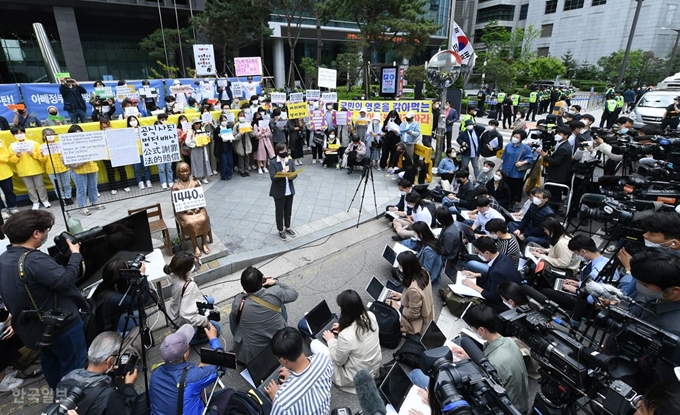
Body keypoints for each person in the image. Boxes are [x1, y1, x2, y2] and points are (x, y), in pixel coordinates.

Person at [0, 210, 86, 388]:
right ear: (36, 233)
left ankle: (58, 397)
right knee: (74, 368)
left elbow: (39, 276)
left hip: (37, 328)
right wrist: (75, 255)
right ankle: (71, 403)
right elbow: (64, 281)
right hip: (62, 327)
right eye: (46, 230)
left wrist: (61, 256)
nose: (47, 233)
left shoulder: (6, 258)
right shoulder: (34, 259)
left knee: (51, 362)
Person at [456, 306, 530, 413]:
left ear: (481, 330)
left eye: (472, 328)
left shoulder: (492, 364)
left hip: (509, 408)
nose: (472, 330)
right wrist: (471, 355)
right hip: (521, 402)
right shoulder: (508, 341)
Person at [57, 331, 145, 414]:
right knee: (146, 399)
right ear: (110, 360)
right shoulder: (109, 395)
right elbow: (124, 411)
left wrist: (109, 371)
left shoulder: (66, 379)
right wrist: (128, 386)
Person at [315, 290, 382, 393]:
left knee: (314, 345)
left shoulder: (346, 336)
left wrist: (331, 340)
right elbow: (357, 329)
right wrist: (343, 327)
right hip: (374, 367)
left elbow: (339, 360)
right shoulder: (370, 316)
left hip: (355, 376)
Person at [149, 323, 223, 415]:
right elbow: (222, 365)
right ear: (185, 355)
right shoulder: (192, 377)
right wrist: (213, 339)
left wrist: (196, 371)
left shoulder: (155, 373)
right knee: (228, 394)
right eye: (188, 345)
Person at [230, 266, 298, 364]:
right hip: (278, 344)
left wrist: (244, 294)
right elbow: (293, 293)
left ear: (244, 286)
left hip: (252, 353)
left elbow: (235, 319)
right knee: (280, 305)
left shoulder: (239, 302)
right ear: (262, 281)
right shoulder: (275, 292)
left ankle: (239, 344)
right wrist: (274, 282)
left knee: (234, 315)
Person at [264, 327, 333, 415]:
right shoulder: (323, 360)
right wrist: (293, 378)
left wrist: (275, 397)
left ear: (283, 360)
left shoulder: (282, 402)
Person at [166, 251, 221, 343]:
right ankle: (188, 341)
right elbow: (186, 315)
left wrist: (194, 260)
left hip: (174, 315)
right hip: (182, 325)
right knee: (217, 328)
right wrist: (205, 321)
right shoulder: (189, 286)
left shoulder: (175, 273)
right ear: (186, 270)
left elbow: (191, 268)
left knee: (210, 300)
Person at [460, 236, 522, 313]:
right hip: (508, 288)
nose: (479, 255)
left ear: (486, 253)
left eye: (479, 253)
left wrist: (473, 286)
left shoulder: (498, 272)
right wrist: (477, 274)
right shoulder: (501, 256)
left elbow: (493, 297)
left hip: (503, 301)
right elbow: (493, 274)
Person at [91, 259, 151, 335]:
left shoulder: (105, 285)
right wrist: (142, 275)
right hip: (108, 333)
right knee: (139, 330)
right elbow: (143, 298)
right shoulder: (115, 299)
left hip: (106, 322)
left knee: (140, 315)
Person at [387, 251, 435, 335]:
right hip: (428, 311)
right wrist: (401, 296)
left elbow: (413, 314)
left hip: (417, 322)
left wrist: (398, 307)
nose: (399, 266)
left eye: (400, 264)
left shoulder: (414, 290)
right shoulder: (424, 272)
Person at [171, 163, 212, 256]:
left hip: (198, 209)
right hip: (183, 212)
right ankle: (195, 245)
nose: (185, 173)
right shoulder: (175, 187)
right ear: (178, 172)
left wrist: (198, 207)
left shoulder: (195, 182)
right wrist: (185, 210)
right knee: (190, 222)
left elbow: (200, 197)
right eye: (182, 171)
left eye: (187, 171)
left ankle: (204, 243)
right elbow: (175, 202)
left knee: (203, 218)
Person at [8, 126, 50, 210]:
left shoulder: (33, 143)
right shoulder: (12, 146)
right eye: (17, 133)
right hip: (23, 170)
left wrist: (32, 154)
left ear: (25, 132)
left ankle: (45, 200)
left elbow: (42, 156)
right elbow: (11, 160)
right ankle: (35, 202)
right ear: (13, 135)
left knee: (40, 186)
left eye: (21, 133)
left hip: (36, 169)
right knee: (30, 188)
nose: (19, 135)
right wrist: (17, 156)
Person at [66, 124, 102, 215]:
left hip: (91, 168)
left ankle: (95, 202)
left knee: (93, 187)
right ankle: (83, 207)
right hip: (78, 171)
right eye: (75, 134)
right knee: (81, 189)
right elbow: (67, 161)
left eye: (79, 133)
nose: (78, 136)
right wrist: (81, 162)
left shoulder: (88, 141)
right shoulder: (67, 146)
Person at [269, 143, 297, 240]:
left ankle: (288, 227)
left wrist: (291, 176)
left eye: (285, 150)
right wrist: (283, 172)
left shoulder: (289, 160)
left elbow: (294, 173)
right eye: (281, 151)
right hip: (279, 191)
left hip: (289, 190)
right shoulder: (273, 162)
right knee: (280, 211)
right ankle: (280, 230)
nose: (284, 152)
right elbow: (273, 178)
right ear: (277, 152)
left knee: (288, 210)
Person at [539, 126, 573, 202]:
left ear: (566, 136)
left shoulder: (563, 148)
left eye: (560, 134)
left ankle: (553, 206)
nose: (557, 135)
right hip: (558, 174)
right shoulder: (562, 144)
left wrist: (545, 156)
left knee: (554, 193)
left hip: (557, 175)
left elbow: (556, 162)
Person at [40, 128, 73, 206]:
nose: (50, 136)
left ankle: (68, 197)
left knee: (67, 184)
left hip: (64, 167)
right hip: (52, 169)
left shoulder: (59, 144)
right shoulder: (42, 146)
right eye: (47, 135)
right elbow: (43, 160)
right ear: (44, 136)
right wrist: (42, 155)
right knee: (57, 186)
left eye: (52, 134)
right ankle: (62, 198)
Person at [500, 129, 533, 205]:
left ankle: (512, 202)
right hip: (506, 170)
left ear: (521, 139)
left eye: (517, 137)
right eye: (514, 136)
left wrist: (521, 163)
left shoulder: (525, 148)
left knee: (514, 188)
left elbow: (530, 158)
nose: (514, 138)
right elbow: (504, 155)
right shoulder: (509, 145)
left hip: (516, 172)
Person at [100, 119, 131, 195]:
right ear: (101, 125)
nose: (105, 125)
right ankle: (113, 188)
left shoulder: (115, 131)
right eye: (103, 123)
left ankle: (125, 185)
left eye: (107, 123)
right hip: (107, 156)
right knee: (110, 173)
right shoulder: (100, 134)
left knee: (122, 171)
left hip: (117, 154)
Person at [435, 207, 461, 280]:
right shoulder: (449, 225)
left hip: (448, 258)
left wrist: (434, 246)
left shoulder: (449, 233)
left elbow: (447, 251)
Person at [186, 117, 212, 184]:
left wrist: (207, 140)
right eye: (196, 123)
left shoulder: (202, 129)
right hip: (195, 150)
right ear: (193, 124)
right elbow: (187, 141)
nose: (198, 125)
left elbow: (206, 137)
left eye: (199, 123)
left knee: (204, 162)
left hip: (203, 148)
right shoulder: (191, 131)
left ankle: (203, 177)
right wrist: (195, 145)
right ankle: (196, 178)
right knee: (196, 163)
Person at [213, 114, 234, 181]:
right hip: (222, 147)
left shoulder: (228, 127)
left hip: (228, 146)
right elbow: (215, 138)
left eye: (225, 120)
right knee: (224, 162)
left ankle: (229, 174)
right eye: (223, 120)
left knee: (230, 161)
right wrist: (219, 136)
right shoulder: (217, 129)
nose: (224, 122)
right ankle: (223, 175)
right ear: (220, 121)